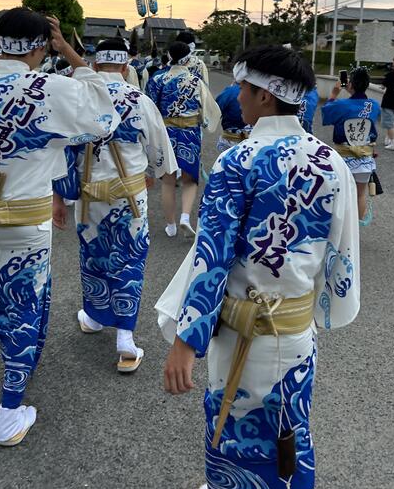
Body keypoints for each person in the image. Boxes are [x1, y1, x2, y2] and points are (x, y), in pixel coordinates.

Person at [156, 45, 360, 489]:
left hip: (241, 329)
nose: (238, 97)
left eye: (244, 89)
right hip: (294, 330)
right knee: (291, 423)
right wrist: (320, 305)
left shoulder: (237, 162)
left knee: (236, 424)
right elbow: (341, 252)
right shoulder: (332, 164)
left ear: (265, 96)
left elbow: (212, 257)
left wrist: (187, 339)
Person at [0, 8, 119, 446]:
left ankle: (20, 363)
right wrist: (75, 59)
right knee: (26, 303)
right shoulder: (52, 88)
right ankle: (9, 410)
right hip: (28, 219)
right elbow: (104, 121)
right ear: (41, 46)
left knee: (0, 298)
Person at [54, 38, 178, 372]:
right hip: (129, 194)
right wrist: (151, 172)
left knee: (93, 253)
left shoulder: (81, 99)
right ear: (126, 68)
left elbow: (65, 150)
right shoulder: (138, 99)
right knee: (129, 257)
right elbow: (158, 150)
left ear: (95, 66)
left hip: (89, 193)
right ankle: (124, 338)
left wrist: (60, 195)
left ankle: (94, 316)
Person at [146, 40, 219, 238]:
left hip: (166, 132)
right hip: (190, 132)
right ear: (189, 58)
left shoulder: (157, 78)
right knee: (190, 180)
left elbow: (150, 107)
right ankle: (185, 217)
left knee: (168, 181)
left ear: (169, 55)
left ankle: (171, 225)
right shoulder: (196, 81)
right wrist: (203, 123)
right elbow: (209, 111)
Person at [321, 67, 380, 224]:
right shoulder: (373, 105)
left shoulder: (340, 105)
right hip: (364, 159)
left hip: (343, 158)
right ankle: (356, 229)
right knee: (360, 194)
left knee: (341, 195)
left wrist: (334, 93)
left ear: (350, 84)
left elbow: (326, 113)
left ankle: (341, 230)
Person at [215, 80, 250, 152]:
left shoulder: (231, 91)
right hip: (252, 141)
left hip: (230, 139)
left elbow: (216, 109)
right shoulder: (259, 91)